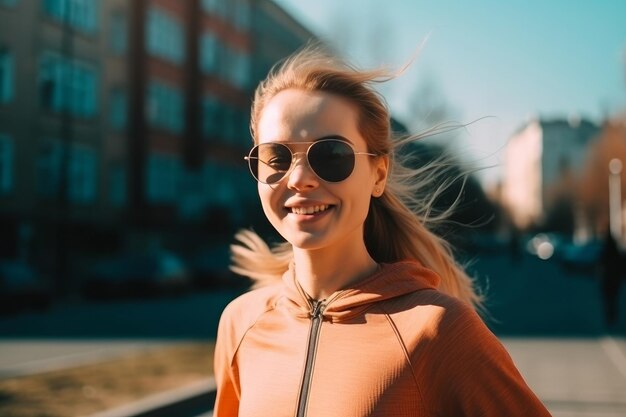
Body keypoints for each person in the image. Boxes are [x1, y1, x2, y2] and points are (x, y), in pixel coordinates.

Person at [213, 45, 552, 417]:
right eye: (276, 157)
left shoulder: (437, 330)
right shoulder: (240, 323)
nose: (298, 179)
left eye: (331, 155)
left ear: (378, 174)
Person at [600, 231, 623, 326]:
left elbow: (601, 267)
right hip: (614, 280)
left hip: (607, 280)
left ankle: (610, 316)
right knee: (613, 299)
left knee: (608, 300)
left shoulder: (604, 253)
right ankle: (612, 315)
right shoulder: (617, 254)